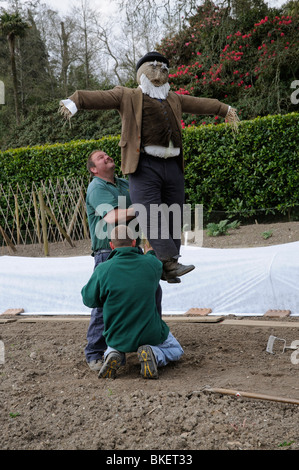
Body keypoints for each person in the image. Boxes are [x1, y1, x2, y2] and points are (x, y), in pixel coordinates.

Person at [60, 51, 239, 282]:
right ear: (141, 73)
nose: (159, 72)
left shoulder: (174, 98)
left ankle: (169, 262)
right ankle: (168, 263)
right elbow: (100, 98)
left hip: (173, 164)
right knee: (150, 212)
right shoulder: (127, 95)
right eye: (153, 67)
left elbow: (199, 103)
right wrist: (75, 100)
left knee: (174, 212)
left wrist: (224, 109)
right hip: (144, 165)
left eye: (164, 68)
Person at [83, 148, 162, 372]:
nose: (107, 156)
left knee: (150, 291)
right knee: (103, 303)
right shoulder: (97, 187)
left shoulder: (124, 183)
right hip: (109, 253)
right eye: (100, 158)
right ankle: (96, 354)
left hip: (133, 247)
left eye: (107, 154)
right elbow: (111, 216)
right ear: (93, 169)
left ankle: (150, 344)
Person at [81, 225, 184, 379]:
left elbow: (88, 300)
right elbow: (153, 259)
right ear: (134, 243)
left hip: (117, 335)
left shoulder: (103, 270)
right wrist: (150, 250)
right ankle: (153, 354)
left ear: (111, 245)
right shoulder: (152, 264)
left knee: (114, 343)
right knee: (176, 349)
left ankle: (113, 354)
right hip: (150, 334)